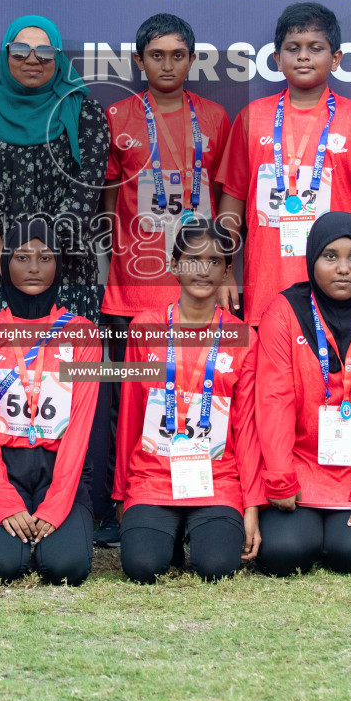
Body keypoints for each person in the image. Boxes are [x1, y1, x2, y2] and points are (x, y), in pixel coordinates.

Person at [95, 12, 232, 546]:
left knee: (199, 393)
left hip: (197, 289)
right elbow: (107, 209)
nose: (168, 64)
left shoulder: (217, 118)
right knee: (124, 403)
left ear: (192, 60)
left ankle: (197, 493)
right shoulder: (118, 116)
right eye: (157, 55)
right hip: (131, 291)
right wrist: (109, 276)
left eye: (178, 55)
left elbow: (225, 204)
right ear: (139, 61)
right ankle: (121, 501)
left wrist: (226, 277)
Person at [251, 213, 351, 577]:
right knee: (282, 554)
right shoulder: (284, 311)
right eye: (330, 256)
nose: (343, 268)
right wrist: (280, 478)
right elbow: (273, 400)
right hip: (299, 468)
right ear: (311, 260)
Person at [114, 218, 259, 583]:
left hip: (217, 480)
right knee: (143, 567)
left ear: (228, 271)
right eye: (192, 259)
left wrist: (252, 506)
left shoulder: (245, 338)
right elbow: (130, 413)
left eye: (213, 261)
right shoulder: (144, 328)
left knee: (217, 567)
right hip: (153, 477)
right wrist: (122, 491)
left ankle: (193, 532)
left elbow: (248, 429)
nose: (202, 270)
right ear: (174, 265)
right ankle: (169, 534)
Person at [0, 16, 110, 335]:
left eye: (45, 51)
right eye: (20, 50)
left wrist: (40, 265)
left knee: (65, 379)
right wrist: (13, 269)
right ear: (5, 53)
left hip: (68, 277)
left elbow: (83, 199)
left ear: (59, 56)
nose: (33, 60)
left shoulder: (86, 116)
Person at [216, 4, 351, 327]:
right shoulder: (252, 118)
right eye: (293, 48)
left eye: (315, 48)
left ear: (336, 58)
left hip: (338, 289)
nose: (303, 57)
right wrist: (224, 271)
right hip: (266, 289)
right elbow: (232, 201)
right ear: (276, 58)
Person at [0, 220, 101, 585]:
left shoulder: (82, 334)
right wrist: (3, 500)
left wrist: (57, 505)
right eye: (22, 257)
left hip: (61, 468)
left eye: (45, 257)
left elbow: (81, 428)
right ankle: (15, 525)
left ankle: (52, 531)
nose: (34, 267)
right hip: (3, 469)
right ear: (5, 262)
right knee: (2, 567)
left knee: (66, 568)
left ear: (58, 266)